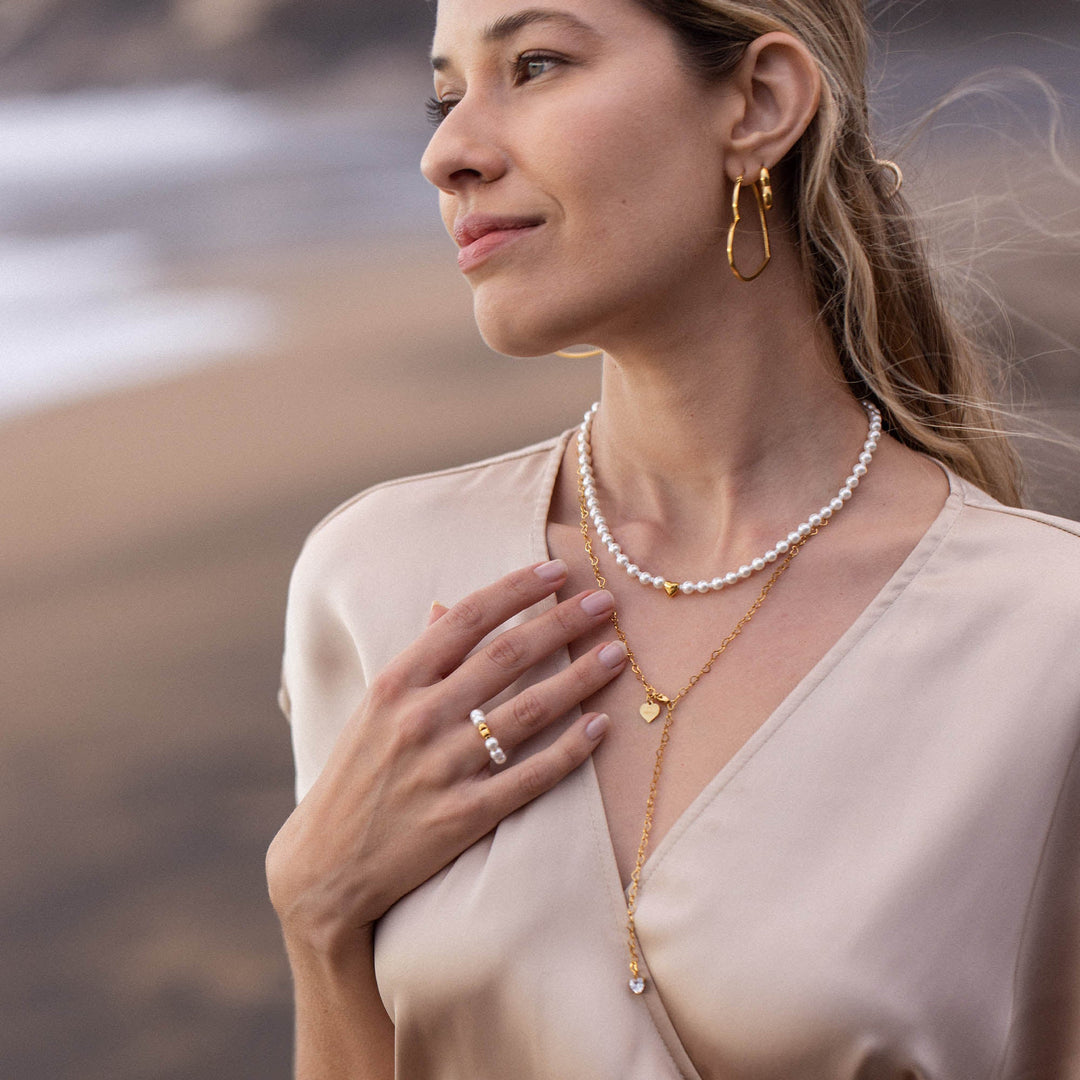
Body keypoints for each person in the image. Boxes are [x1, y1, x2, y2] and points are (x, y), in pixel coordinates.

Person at [265, 0, 1080, 1077]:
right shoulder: (374, 582)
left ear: (759, 101)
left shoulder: (1045, 637)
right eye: (446, 94)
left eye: (537, 64)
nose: (446, 154)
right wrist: (317, 922)